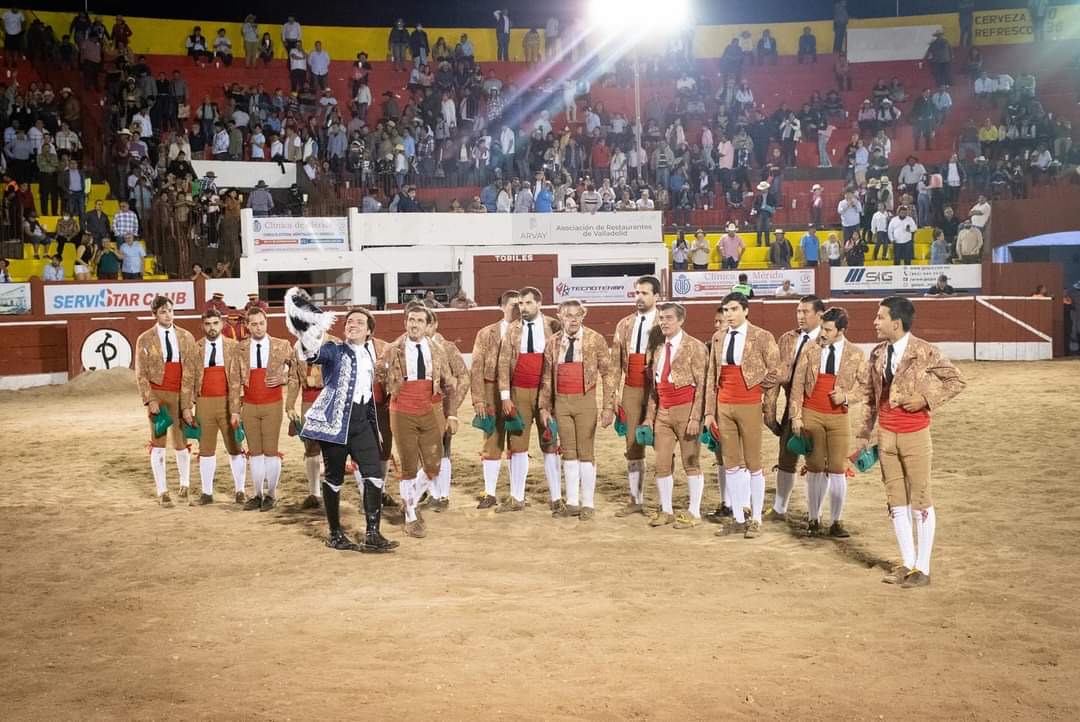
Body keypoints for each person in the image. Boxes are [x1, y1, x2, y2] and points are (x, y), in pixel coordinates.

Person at [856, 296, 965, 588]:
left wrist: (927, 399)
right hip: (886, 435)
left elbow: (956, 381)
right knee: (896, 500)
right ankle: (907, 562)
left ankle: (923, 568)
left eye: (880, 317)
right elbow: (870, 399)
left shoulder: (925, 351)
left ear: (896, 322)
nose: (875, 322)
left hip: (915, 433)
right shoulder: (878, 354)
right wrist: (862, 436)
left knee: (920, 499)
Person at [294, 304, 399, 553]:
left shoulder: (372, 354)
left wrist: (376, 426)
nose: (352, 325)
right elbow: (311, 354)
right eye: (349, 322)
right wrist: (310, 331)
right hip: (335, 424)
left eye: (359, 322)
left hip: (362, 422)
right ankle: (335, 533)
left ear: (369, 332)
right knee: (334, 478)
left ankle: (373, 533)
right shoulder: (333, 349)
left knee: (374, 474)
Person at [377, 306, 460, 539]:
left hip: (429, 409)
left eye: (420, 321)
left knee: (434, 465)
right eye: (411, 320)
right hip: (402, 409)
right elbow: (378, 375)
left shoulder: (437, 349)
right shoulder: (392, 349)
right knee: (409, 465)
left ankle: (409, 499)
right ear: (405, 322)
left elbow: (448, 383)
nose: (414, 324)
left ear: (428, 325)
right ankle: (411, 515)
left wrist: (451, 414)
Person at [703, 292, 780, 539]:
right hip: (724, 405)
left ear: (746, 310)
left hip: (749, 404)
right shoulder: (717, 338)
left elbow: (778, 370)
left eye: (734, 309)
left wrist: (756, 387)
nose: (729, 315)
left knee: (754, 463)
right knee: (731, 463)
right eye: (726, 310)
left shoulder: (762, 336)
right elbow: (711, 378)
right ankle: (738, 517)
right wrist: (709, 411)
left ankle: (755, 518)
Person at [789, 307, 867, 538]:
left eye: (828, 329)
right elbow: (797, 385)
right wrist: (796, 415)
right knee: (814, 467)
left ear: (840, 331)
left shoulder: (855, 353)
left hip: (839, 416)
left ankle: (836, 521)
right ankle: (814, 518)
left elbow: (864, 387)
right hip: (811, 413)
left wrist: (847, 397)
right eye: (822, 328)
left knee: (837, 468)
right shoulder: (809, 348)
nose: (822, 333)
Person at [538, 300, 614, 520]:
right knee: (569, 452)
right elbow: (546, 378)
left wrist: (609, 406)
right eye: (568, 315)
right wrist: (544, 406)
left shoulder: (595, 339)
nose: (573, 319)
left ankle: (588, 503)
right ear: (560, 316)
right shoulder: (553, 342)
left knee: (586, 452)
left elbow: (608, 374)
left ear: (583, 316)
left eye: (577, 315)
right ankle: (572, 502)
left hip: (585, 401)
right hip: (561, 402)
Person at [640, 303, 707, 528]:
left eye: (669, 318)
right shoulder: (659, 349)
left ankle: (694, 512)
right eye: (661, 318)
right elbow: (654, 388)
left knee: (691, 462)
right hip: (663, 412)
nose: (664, 322)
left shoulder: (695, 347)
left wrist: (696, 417)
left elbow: (702, 386)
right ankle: (667, 510)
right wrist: (649, 416)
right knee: (661, 463)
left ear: (681, 321)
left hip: (686, 409)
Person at [496, 286, 562, 513]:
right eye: (520, 304)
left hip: (546, 393)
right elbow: (503, 364)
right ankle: (517, 497)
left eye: (528, 303)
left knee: (550, 442)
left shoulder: (554, 326)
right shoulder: (512, 330)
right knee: (517, 444)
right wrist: (505, 396)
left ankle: (556, 497)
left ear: (539, 303)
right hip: (519, 392)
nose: (523, 308)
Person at [762, 296, 823, 521]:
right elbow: (777, 376)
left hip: (818, 408)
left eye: (805, 312)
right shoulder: (787, 339)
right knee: (786, 458)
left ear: (819, 315)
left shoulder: (828, 339)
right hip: (791, 406)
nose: (800, 316)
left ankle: (815, 515)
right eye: (798, 311)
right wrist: (769, 412)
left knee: (817, 462)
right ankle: (780, 508)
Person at [135, 296, 198, 507]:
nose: (168, 315)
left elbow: (191, 371)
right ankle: (162, 490)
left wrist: (188, 402)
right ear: (154, 314)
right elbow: (141, 373)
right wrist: (149, 399)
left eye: (170, 310)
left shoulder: (186, 337)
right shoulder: (145, 338)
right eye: (163, 311)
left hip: (180, 395)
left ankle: (185, 483)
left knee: (181, 442)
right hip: (159, 395)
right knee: (158, 443)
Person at [610, 276, 662, 517]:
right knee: (632, 444)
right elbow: (615, 364)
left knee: (663, 443)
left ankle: (666, 503)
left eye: (644, 293)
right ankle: (636, 500)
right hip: (631, 387)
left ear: (656, 297)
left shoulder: (666, 322)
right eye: (637, 293)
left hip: (658, 390)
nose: (639, 297)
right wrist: (614, 394)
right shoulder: (624, 324)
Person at [238, 307, 296, 512]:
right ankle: (257, 494)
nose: (258, 327)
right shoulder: (241, 348)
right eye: (253, 324)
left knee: (270, 451)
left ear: (266, 323)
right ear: (247, 326)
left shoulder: (282, 345)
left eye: (261, 323)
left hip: (273, 404)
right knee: (255, 452)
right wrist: (236, 410)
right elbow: (235, 380)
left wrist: (283, 378)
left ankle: (271, 494)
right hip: (250, 404)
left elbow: (297, 370)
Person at [472, 290, 521, 508]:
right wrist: (478, 399)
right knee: (492, 440)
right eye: (511, 304)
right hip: (491, 389)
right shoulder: (486, 333)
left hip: (520, 389)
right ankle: (489, 493)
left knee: (518, 441)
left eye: (519, 304)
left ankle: (517, 494)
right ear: (502, 307)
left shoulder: (529, 330)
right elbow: (476, 367)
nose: (516, 308)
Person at [193, 308, 247, 505]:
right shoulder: (195, 347)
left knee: (235, 446)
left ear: (222, 325)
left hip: (228, 402)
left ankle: (240, 490)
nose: (212, 328)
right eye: (207, 324)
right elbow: (188, 379)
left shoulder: (234, 347)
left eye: (215, 323)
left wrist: (239, 406)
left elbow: (242, 377)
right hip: (203, 402)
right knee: (206, 449)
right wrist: (185, 407)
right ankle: (207, 493)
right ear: (202, 326)